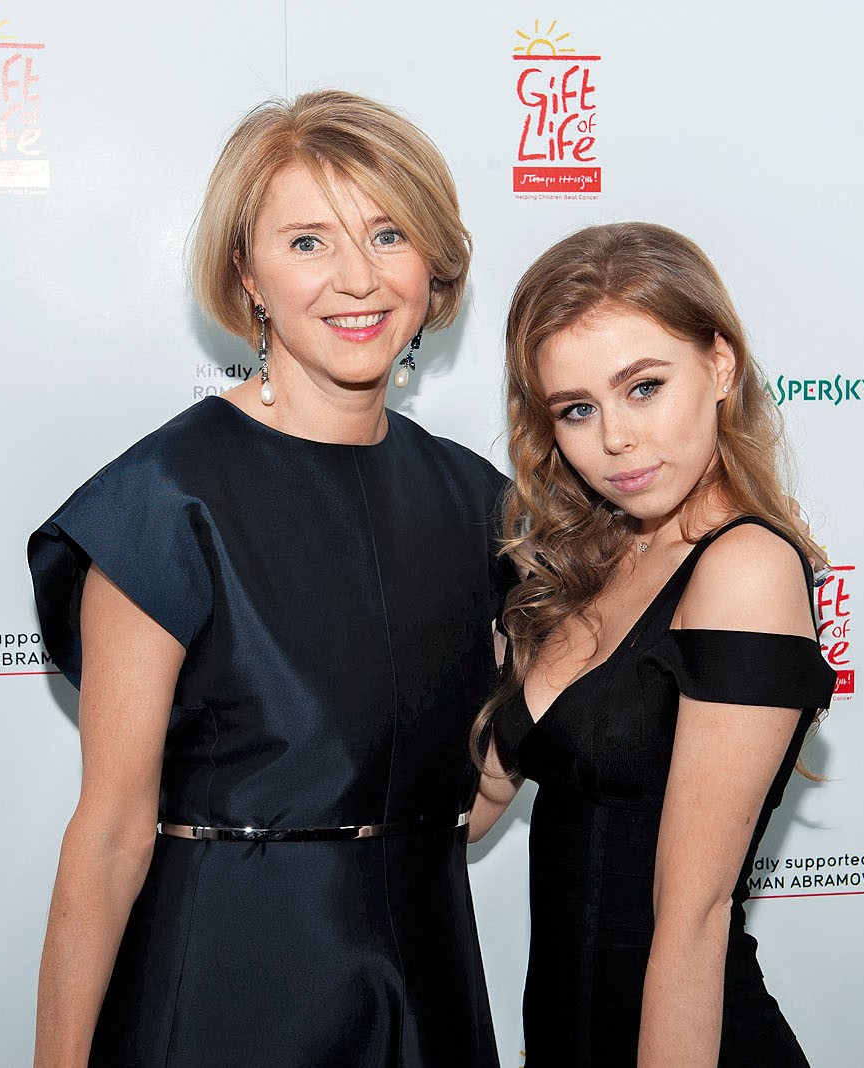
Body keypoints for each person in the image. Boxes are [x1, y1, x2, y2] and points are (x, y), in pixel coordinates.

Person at [27, 91, 505, 1068]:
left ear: (432, 263)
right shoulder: (165, 502)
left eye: (387, 234)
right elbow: (111, 835)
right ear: (247, 274)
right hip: (230, 991)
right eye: (308, 242)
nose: (357, 278)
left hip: (428, 992)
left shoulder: (479, 504)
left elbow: (478, 794)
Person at [469, 222, 836, 1067]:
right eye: (577, 409)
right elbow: (474, 809)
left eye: (643, 387)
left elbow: (693, 919)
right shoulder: (586, 563)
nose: (615, 439)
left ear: (721, 364)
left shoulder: (745, 567)